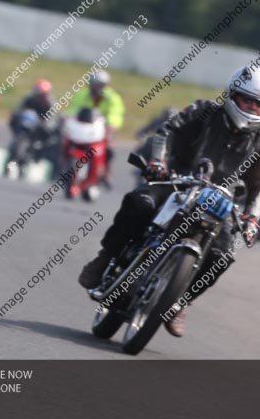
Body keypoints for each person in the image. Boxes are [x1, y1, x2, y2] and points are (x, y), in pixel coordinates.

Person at [78, 65, 260, 337]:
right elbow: (167, 131)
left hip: (221, 202)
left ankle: (179, 302)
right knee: (140, 203)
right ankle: (105, 258)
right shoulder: (204, 111)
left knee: (222, 256)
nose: (254, 108)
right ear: (233, 94)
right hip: (178, 180)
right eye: (249, 100)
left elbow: (258, 187)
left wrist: (253, 216)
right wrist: (157, 162)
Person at [66, 71, 124, 187]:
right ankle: (62, 166)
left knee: (109, 148)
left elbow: (116, 113)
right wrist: (68, 118)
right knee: (67, 141)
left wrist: (111, 124)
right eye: (93, 84)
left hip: (101, 128)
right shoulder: (83, 95)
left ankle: (106, 173)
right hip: (83, 127)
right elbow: (73, 109)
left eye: (98, 84)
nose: (95, 87)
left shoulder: (112, 98)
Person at [7, 79, 59, 175]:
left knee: (48, 134)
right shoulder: (29, 97)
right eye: (38, 92)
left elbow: (52, 116)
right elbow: (19, 108)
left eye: (42, 93)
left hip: (41, 124)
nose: (39, 95)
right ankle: (13, 158)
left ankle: (38, 150)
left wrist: (46, 123)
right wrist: (16, 115)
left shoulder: (50, 101)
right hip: (27, 123)